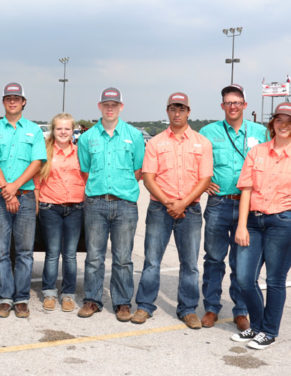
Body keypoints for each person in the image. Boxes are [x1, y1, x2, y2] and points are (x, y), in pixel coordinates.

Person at [132, 92, 213, 329]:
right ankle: (145, 306)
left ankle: (187, 310)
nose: (177, 113)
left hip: (191, 210)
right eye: (172, 109)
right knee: (152, 261)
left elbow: (205, 178)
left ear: (188, 112)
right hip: (160, 208)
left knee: (189, 264)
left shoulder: (202, 142)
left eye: (181, 109)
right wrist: (169, 202)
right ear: (167, 111)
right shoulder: (156, 142)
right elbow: (148, 178)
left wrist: (183, 202)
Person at [198, 84, 267, 331]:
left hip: (250, 205)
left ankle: (241, 311)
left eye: (237, 102)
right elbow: (195, 160)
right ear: (222, 106)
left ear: (245, 105)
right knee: (214, 258)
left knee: (242, 262)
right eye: (228, 102)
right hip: (219, 204)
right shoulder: (208, 132)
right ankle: (211, 308)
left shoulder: (260, 131)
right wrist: (202, 183)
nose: (233, 106)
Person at [77, 88, 145, 321]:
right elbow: (85, 170)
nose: (110, 107)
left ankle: (122, 302)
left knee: (123, 257)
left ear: (121, 107)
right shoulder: (87, 137)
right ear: (99, 106)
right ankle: (92, 300)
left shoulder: (134, 136)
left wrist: (120, 187)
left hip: (125, 204)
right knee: (94, 256)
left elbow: (138, 170)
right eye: (106, 104)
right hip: (96, 203)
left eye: (114, 104)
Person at [232, 102, 291, 349]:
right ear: (272, 123)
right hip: (254, 222)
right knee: (244, 278)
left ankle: (268, 331)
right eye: (279, 120)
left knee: (276, 280)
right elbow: (245, 189)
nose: (284, 125)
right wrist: (241, 225)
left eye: (289, 121)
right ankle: (256, 326)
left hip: (282, 222)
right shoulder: (257, 152)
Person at [0, 82, 47, 318]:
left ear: (23, 102)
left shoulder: (33, 130)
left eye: (17, 98)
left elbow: (37, 162)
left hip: (26, 197)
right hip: (0, 197)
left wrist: (15, 187)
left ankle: (21, 299)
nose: (12, 101)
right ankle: (4, 298)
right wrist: (6, 189)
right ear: (3, 102)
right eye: (8, 98)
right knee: (0, 252)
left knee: (24, 252)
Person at [36, 113, 85, 313]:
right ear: (53, 130)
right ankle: (49, 292)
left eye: (67, 129)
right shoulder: (46, 152)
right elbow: (38, 180)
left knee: (71, 254)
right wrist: (38, 204)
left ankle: (68, 294)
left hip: (75, 207)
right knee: (53, 253)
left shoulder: (80, 152)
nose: (63, 132)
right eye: (59, 129)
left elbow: (87, 177)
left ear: (73, 131)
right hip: (51, 207)